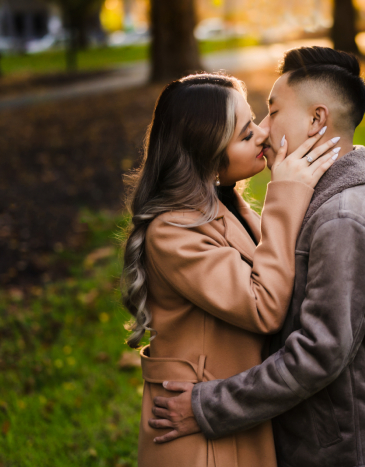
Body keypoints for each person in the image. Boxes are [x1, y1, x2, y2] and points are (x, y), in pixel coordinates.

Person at [149, 47, 365, 467]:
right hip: (289, 441)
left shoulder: (341, 219)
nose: (264, 131)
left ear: (316, 119)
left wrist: (211, 405)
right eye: (251, 125)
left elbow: (316, 351)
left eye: (271, 113)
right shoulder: (307, 205)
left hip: (345, 452)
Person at [120, 72, 340, 467]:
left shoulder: (226, 207)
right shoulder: (173, 232)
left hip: (231, 413)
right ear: (205, 156)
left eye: (254, 121)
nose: (262, 135)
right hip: (198, 435)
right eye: (244, 134)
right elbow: (264, 306)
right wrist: (288, 192)